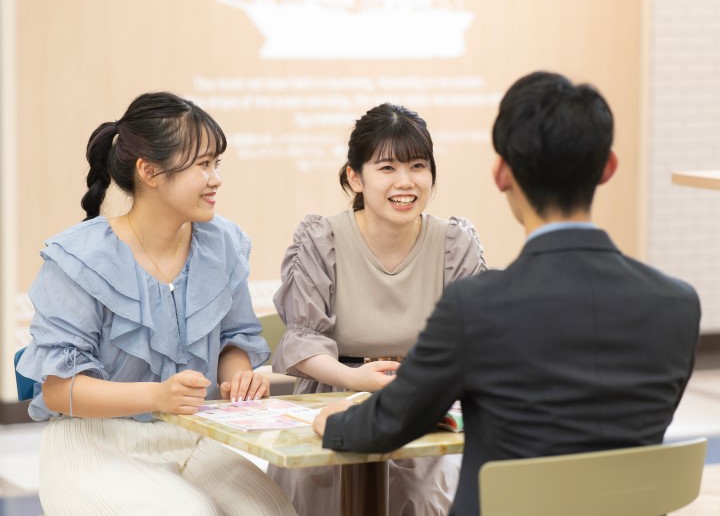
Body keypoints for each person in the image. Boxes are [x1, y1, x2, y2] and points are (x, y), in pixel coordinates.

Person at [312, 72, 702, 516]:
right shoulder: (678, 305)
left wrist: (335, 422)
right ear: (608, 167)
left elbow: (390, 423)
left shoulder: (476, 307)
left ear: (502, 174)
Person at [16, 92, 297, 516]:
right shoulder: (79, 258)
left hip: (192, 436)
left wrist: (238, 377)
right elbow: (58, 390)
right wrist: (157, 395)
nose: (216, 179)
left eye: (216, 164)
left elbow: (234, 339)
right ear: (149, 171)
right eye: (202, 164)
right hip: (94, 441)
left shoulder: (223, 244)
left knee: (270, 510)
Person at [269, 102, 487, 515]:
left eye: (418, 166)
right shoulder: (322, 239)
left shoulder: (455, 243)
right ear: (355, 177)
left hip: (424, 407)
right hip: (332, 401)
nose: (405, 182)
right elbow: (303, 339)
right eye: (387, 168)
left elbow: (473, 342)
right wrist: (354, 378)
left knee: (429, 492)